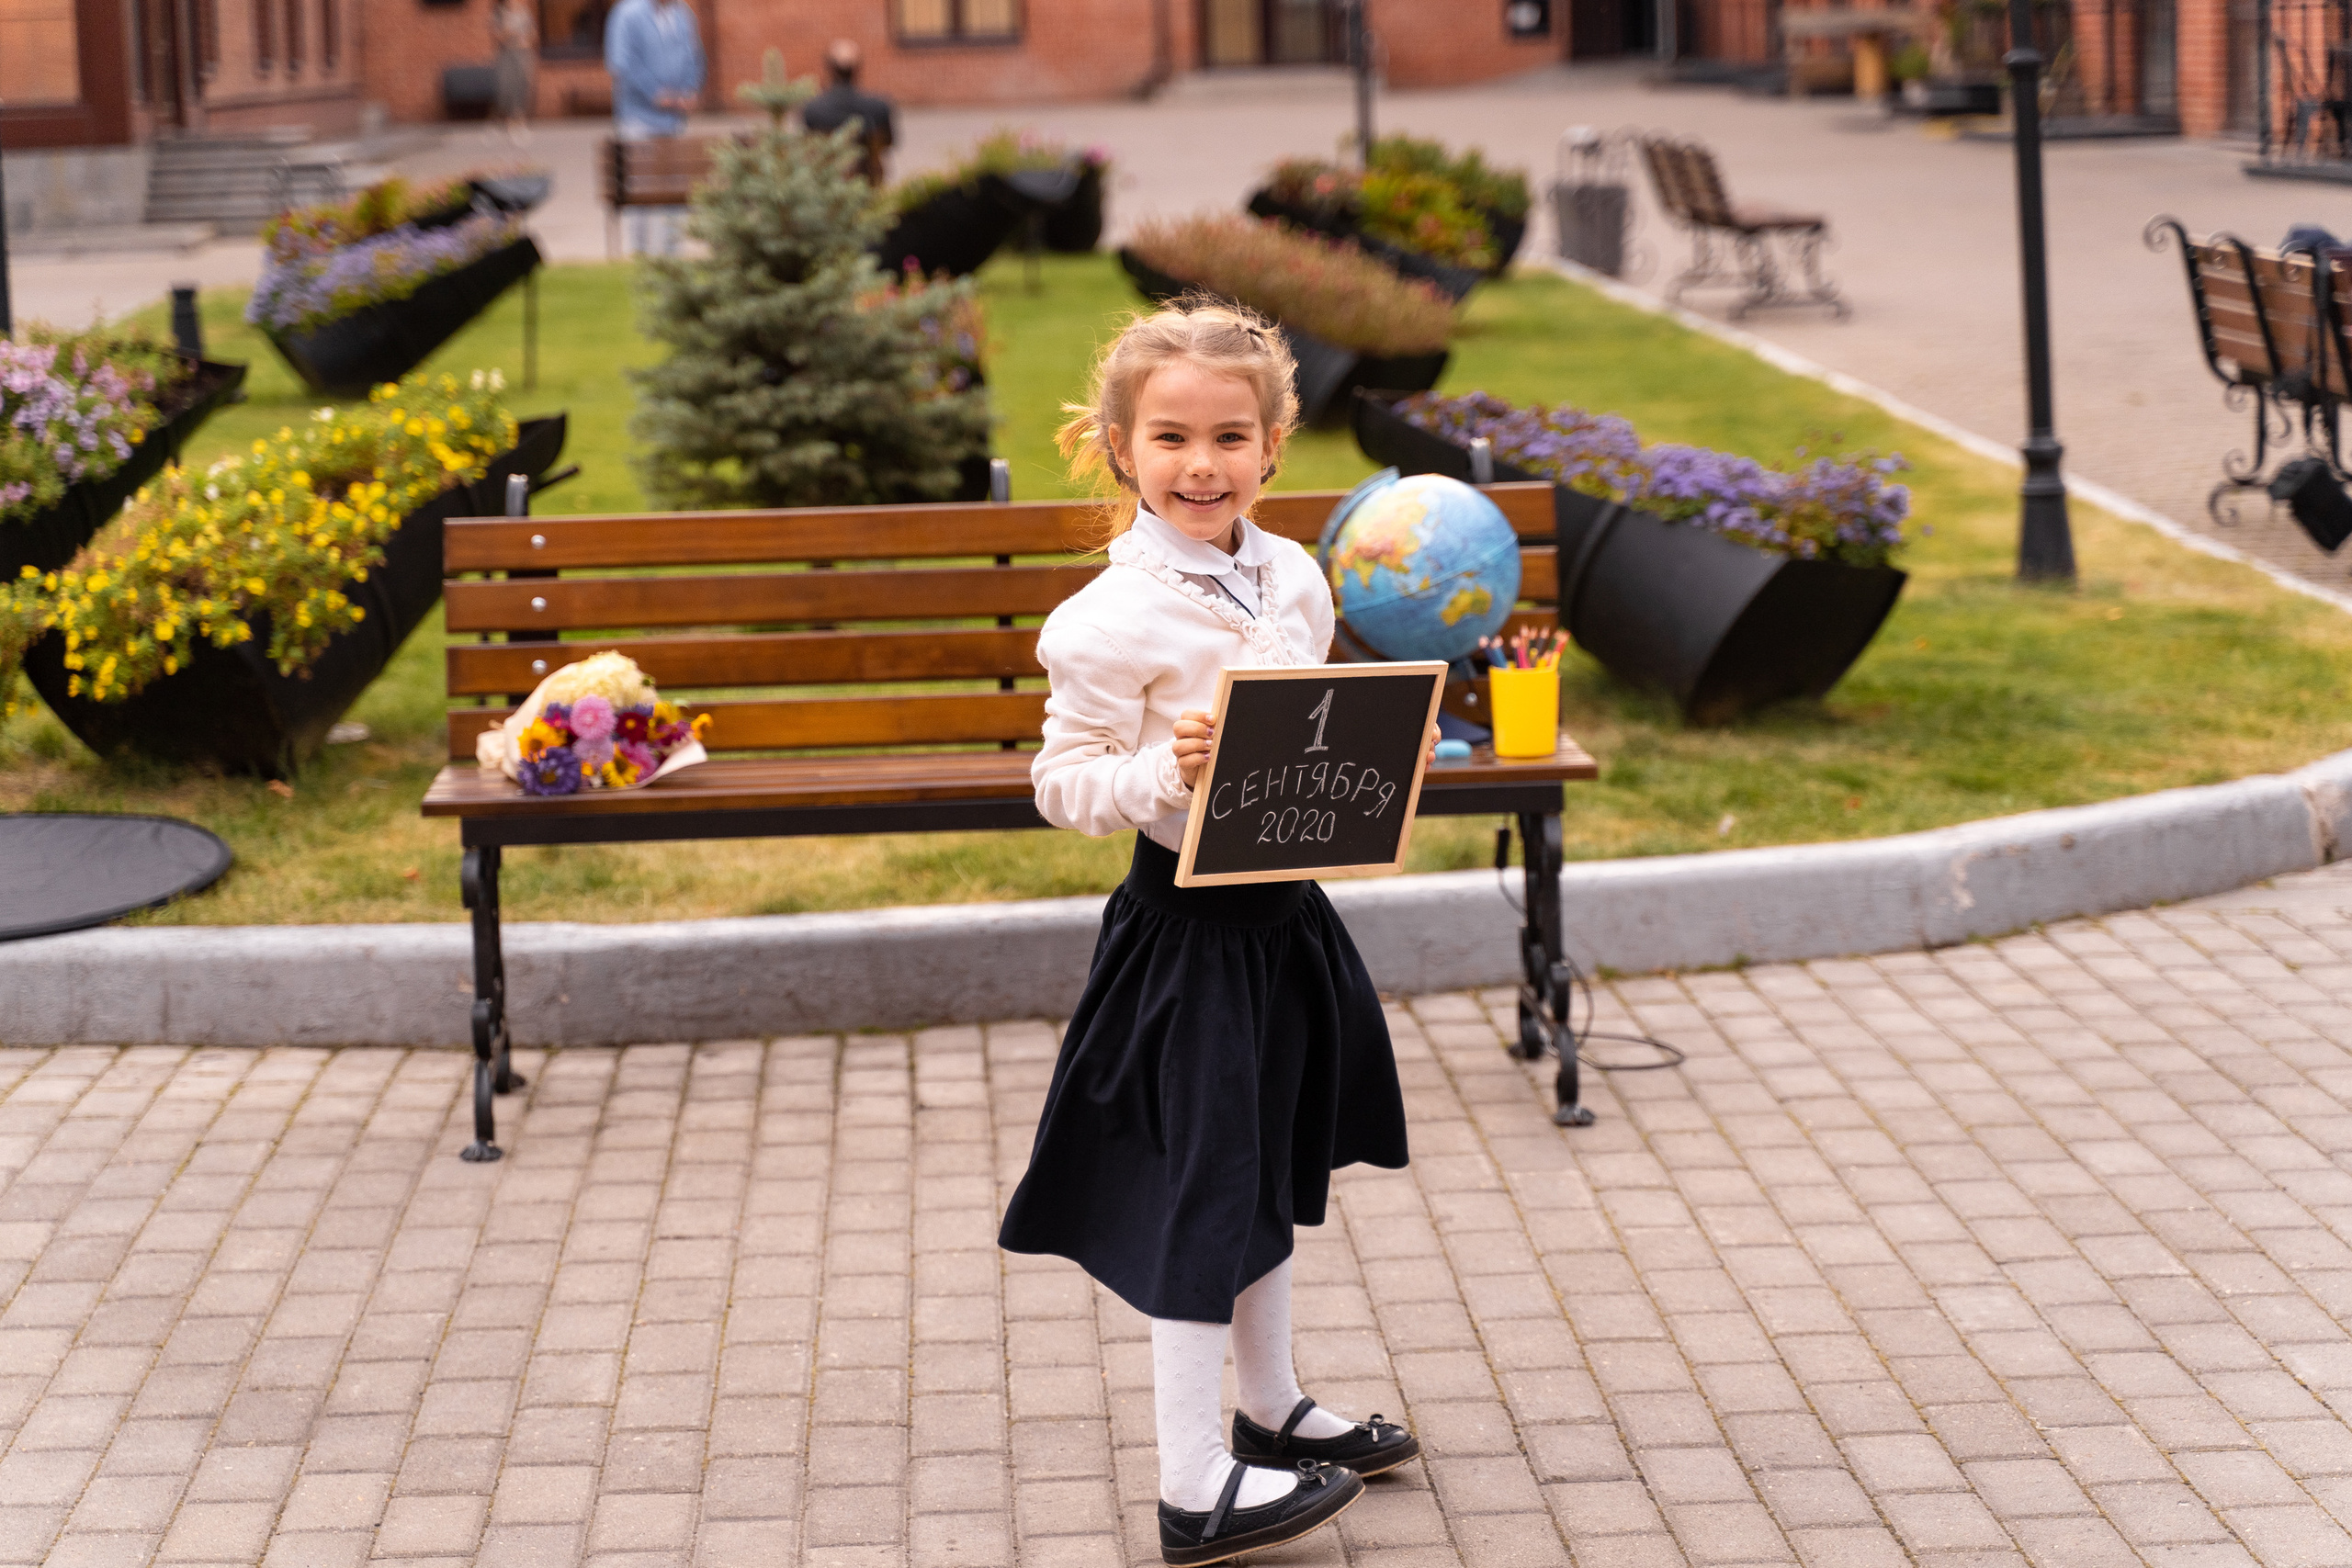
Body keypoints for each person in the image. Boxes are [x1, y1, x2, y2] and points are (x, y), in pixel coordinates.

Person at [998, 299, 1424, 1568]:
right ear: (1119, 444)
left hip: (1284, 918)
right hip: (1184, 933)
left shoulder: (1294, 573)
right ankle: (1193, 1486)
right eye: (1171, 435)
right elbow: (1061, 783)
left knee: (1272, 1161)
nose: (1201, 462)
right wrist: (1159, 776)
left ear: (1276, 442)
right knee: (1204, 1189)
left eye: (1229, 436)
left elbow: (1305, 726)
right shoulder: (1104, 618)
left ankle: (1271, 1402)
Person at [604, 0, 705, 255]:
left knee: (675, 189)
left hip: (675, 121)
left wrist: (689, 91)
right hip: (639, 120)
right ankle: (641, 254)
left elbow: (694, 56)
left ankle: (672, 254)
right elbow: (621, 64)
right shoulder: (627, 15)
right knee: (641, 195)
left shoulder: (683, 14)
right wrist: (657, 94)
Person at [799, 39, 895, 184]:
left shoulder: (812, 109)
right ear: (857, 68)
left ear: (829, 68)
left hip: (826, 183)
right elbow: (889, 142)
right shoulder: (879, 107)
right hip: (867, 182)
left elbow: (808, 147)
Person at [489, 0, 537, 146]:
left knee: (522, 86)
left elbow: (533, 34)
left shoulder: (525, 13)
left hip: (523, 53)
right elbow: (497, 36)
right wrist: (510, 31)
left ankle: (519, 124)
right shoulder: (498, 14)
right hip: (506, 54)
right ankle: (503, 123)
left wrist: (526, 40)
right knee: (507, 88)